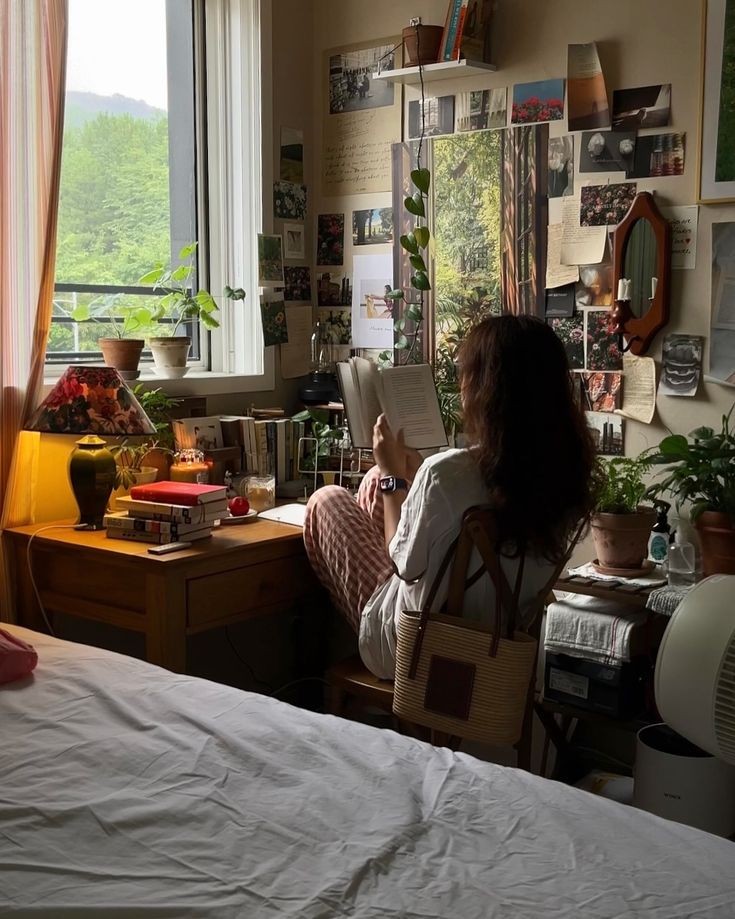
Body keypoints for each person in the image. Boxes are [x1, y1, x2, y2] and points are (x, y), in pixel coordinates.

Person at [303, 315, 597, 679]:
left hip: (417, 647)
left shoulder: (445, 473)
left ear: (485, 390)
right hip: (496, 644)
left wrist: (395, 477)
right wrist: (403, 477)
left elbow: (404, 565)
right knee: (375, 481)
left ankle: (341, 657)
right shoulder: (566, 476)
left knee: (328, 498)